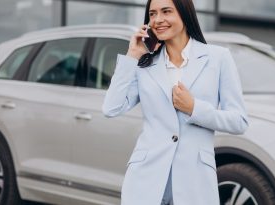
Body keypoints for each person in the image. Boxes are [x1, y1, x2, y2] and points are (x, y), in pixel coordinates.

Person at [102, 0, 248, 204]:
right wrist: (132, 56)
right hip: (146, 179)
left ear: (185, 13)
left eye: (166, 11)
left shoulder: (218, 58)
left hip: (194, 182)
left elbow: (239, 121)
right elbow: (111, 108)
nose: (158, 20)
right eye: (152, 14)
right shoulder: (145, 64)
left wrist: (194, 108)